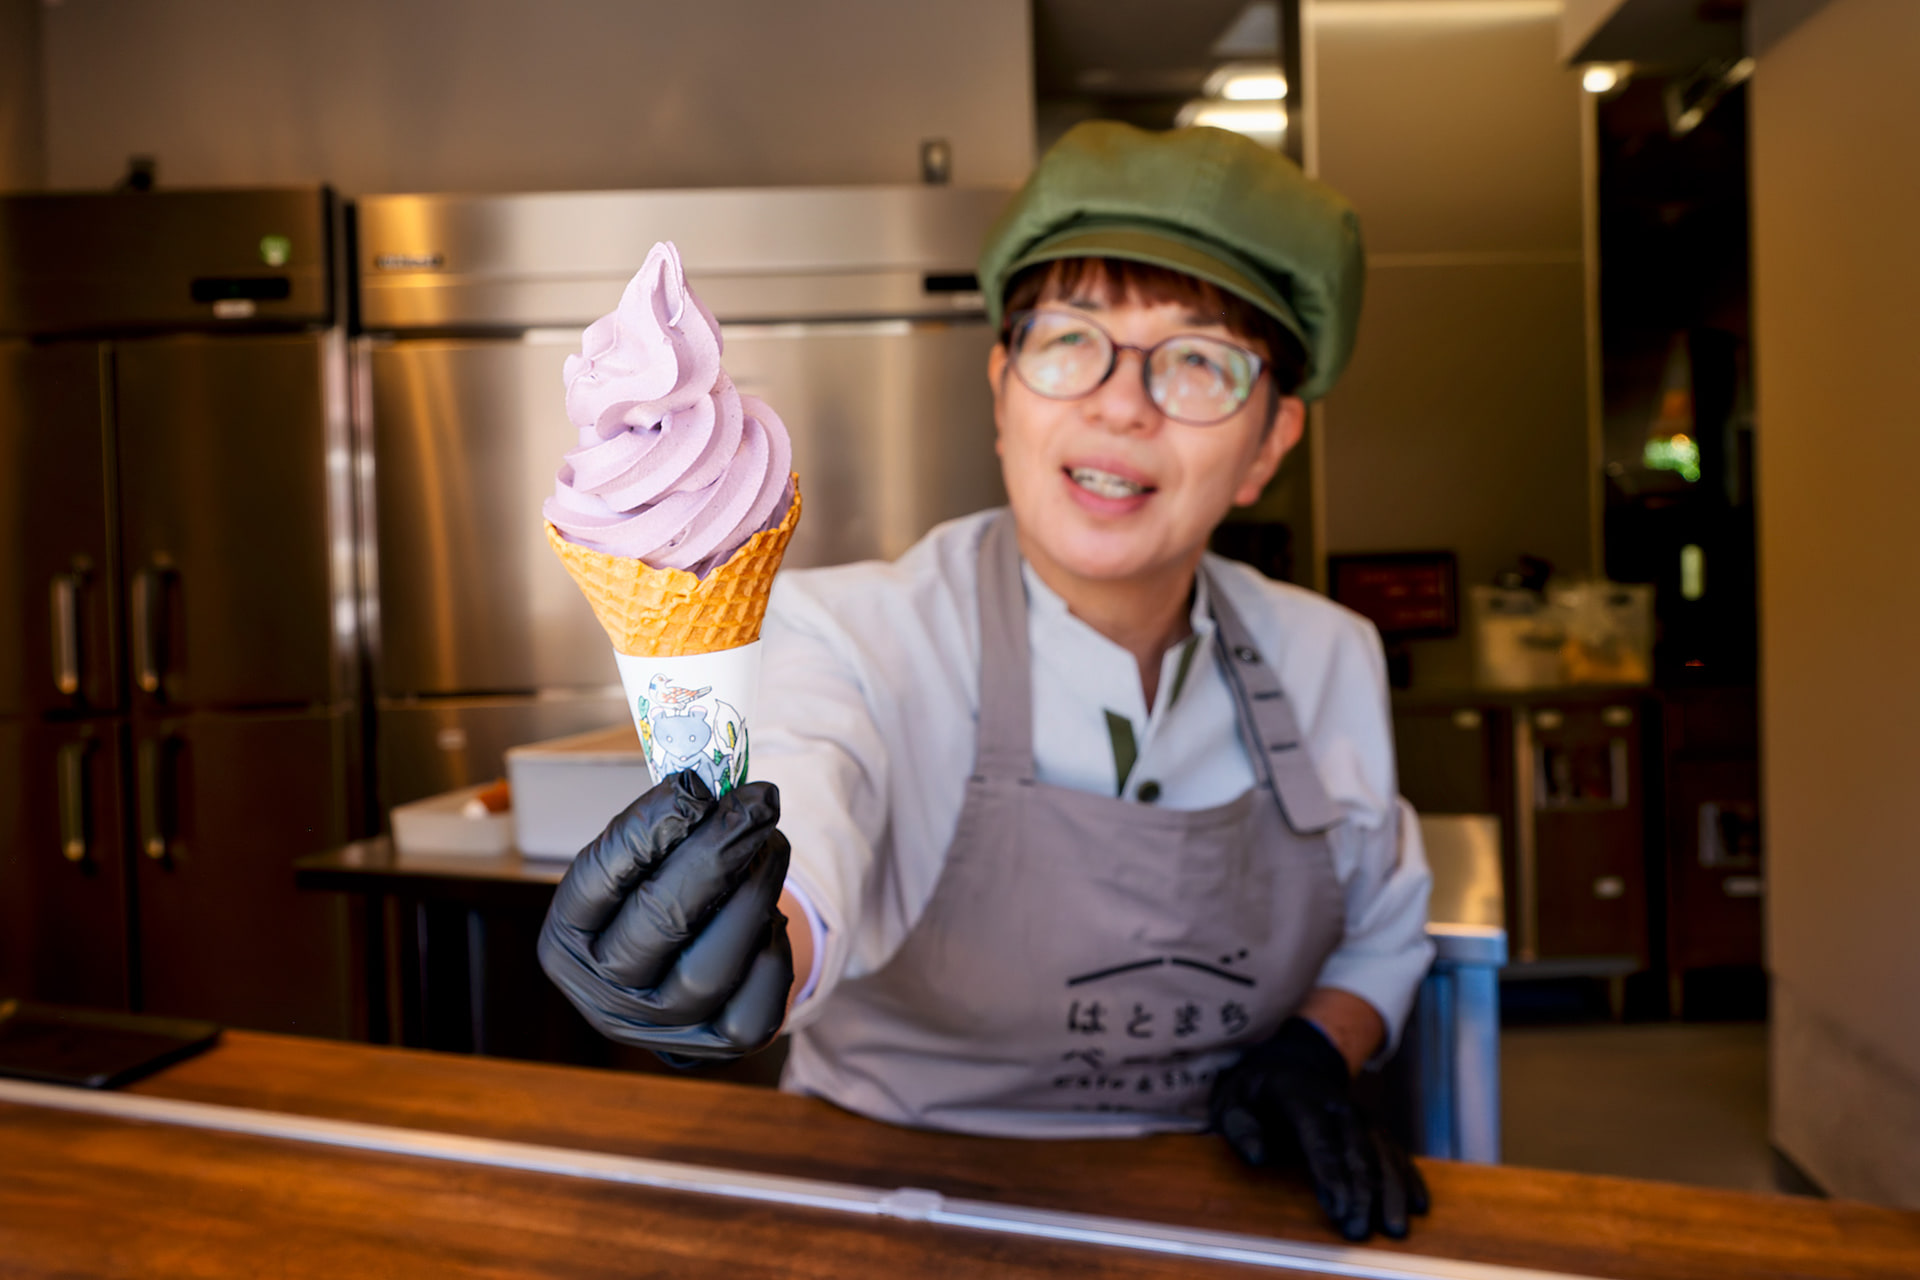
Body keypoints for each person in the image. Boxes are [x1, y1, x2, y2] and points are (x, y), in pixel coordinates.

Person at [538, 121, 1435, 1242]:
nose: (1121, 404)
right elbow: (808, 837)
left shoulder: (1329, 654)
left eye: (1201, 361)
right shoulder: (854, 633)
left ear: (1269, 443)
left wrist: (1319, 1044)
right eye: (1071, 341)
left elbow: (1383, 930)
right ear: (1004, 388)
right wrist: (733, 950)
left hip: (1212, 1204)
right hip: (888, 1205)